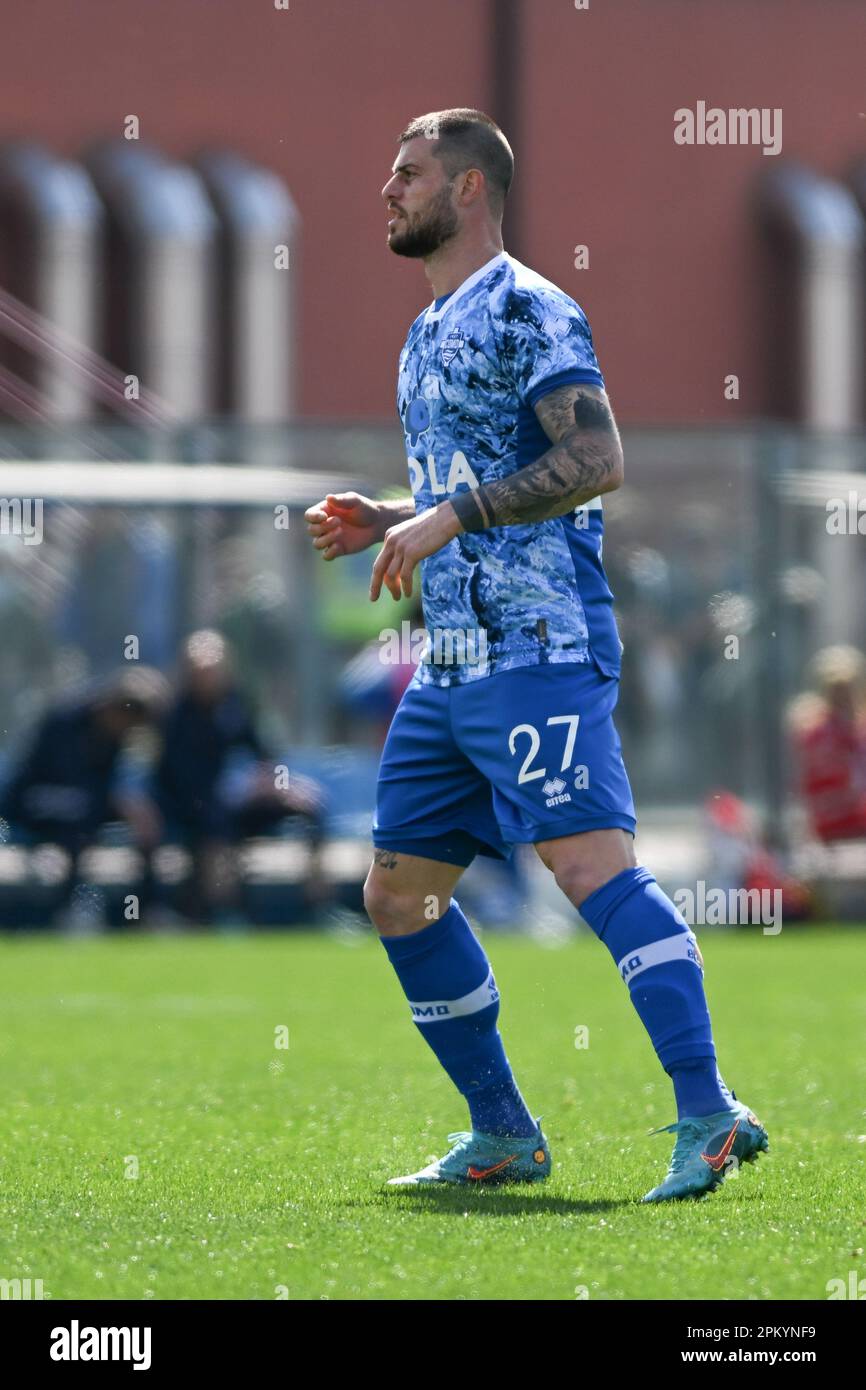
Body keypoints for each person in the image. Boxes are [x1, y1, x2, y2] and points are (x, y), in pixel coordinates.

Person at [304, 109, 767, 1199]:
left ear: (468, 189)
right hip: (451, 660)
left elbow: (597, 456)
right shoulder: (424, 330)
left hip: (538, 644)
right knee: (397, 895)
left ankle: (706, 1110)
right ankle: (502, 1131)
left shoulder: (531, 307)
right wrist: (392, 514)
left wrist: (449, 517)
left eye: (407, 171)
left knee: (586, 869)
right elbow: (475, 482)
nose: (386, 186)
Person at [153, 630, 325, 925]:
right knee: (215, 824)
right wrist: (233, 791)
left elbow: (265, 756)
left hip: (239, 799)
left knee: (310, 808)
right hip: (194, 807)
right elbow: (181, 779)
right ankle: (224, 910)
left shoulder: (237, 705)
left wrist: (279, 786)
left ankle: (319, 905)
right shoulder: (176, 716)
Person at [0, 667, 168, 918]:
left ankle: (148, 911)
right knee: (77, 828)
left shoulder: (120, 738)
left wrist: (133, 807)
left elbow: (124, 785)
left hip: (90, 807)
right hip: (37, 803)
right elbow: (51, 781)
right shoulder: (65, 722)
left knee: (146, 825)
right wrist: (111, 800)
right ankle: (67, 911)